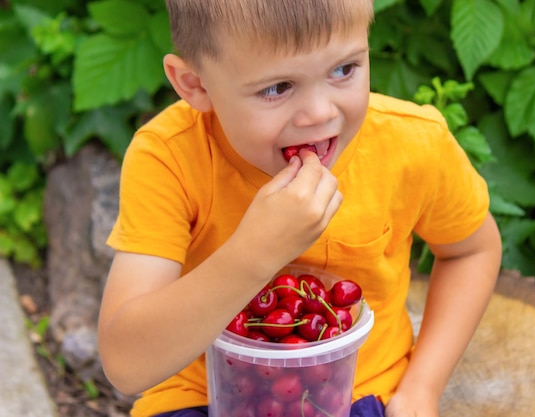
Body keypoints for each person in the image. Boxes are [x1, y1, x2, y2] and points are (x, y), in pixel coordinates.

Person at [97, 1, 502, 416]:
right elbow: (127, 365)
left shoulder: (412, 145)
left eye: (344, 69)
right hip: (204, 394)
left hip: (358, 392)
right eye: (277, 88)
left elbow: (471, 250)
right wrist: (256, 252)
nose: (320, 113)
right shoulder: (171, 158)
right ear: (195, 85)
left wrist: (422, 387)